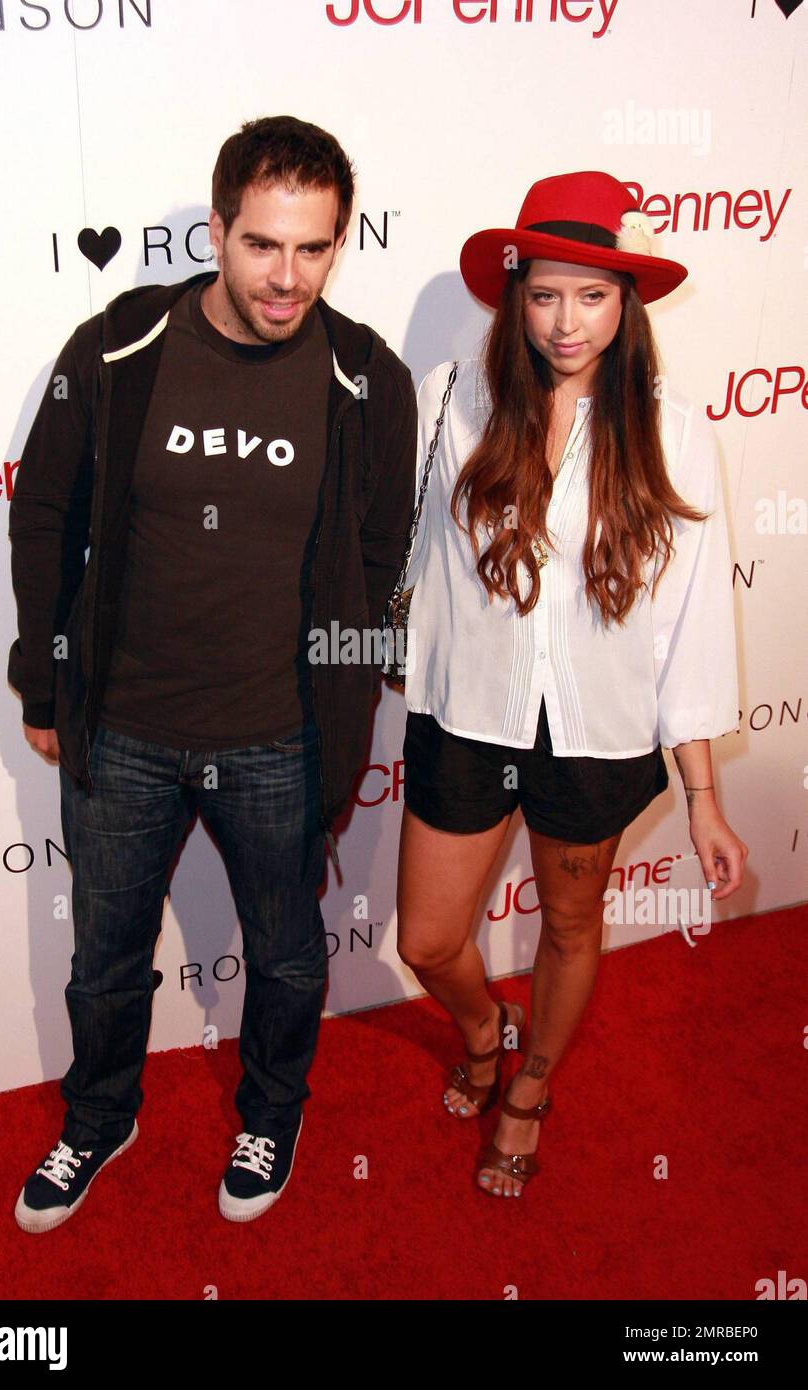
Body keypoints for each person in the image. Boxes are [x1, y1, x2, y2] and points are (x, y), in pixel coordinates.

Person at [7, 114, 417, 1230]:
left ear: (339, 243)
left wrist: (340, 708)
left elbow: (380, 556)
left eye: (315, 249)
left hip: (279, 737)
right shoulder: (118, 346)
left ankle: (271, 1111)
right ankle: (98, 1116)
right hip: (123, 728)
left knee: (287, 959)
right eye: (262, 246)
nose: (288, 279)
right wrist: (45, 684)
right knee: (104, 959)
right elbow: (45, 514)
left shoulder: (366, 378)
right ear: (219, 226)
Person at [395, 171, 748, 1199]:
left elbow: (685, 624)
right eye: (545, 293)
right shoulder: (451, 401)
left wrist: (704, 798)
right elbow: (406, 561)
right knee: (427, 936)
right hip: (467, 715)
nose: (566, 320)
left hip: (597, 731)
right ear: (514, 296)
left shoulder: (673, 430)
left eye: (591, 295)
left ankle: (527, 1088)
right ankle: (480, 1028)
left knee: (570, 926)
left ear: (625, 304)